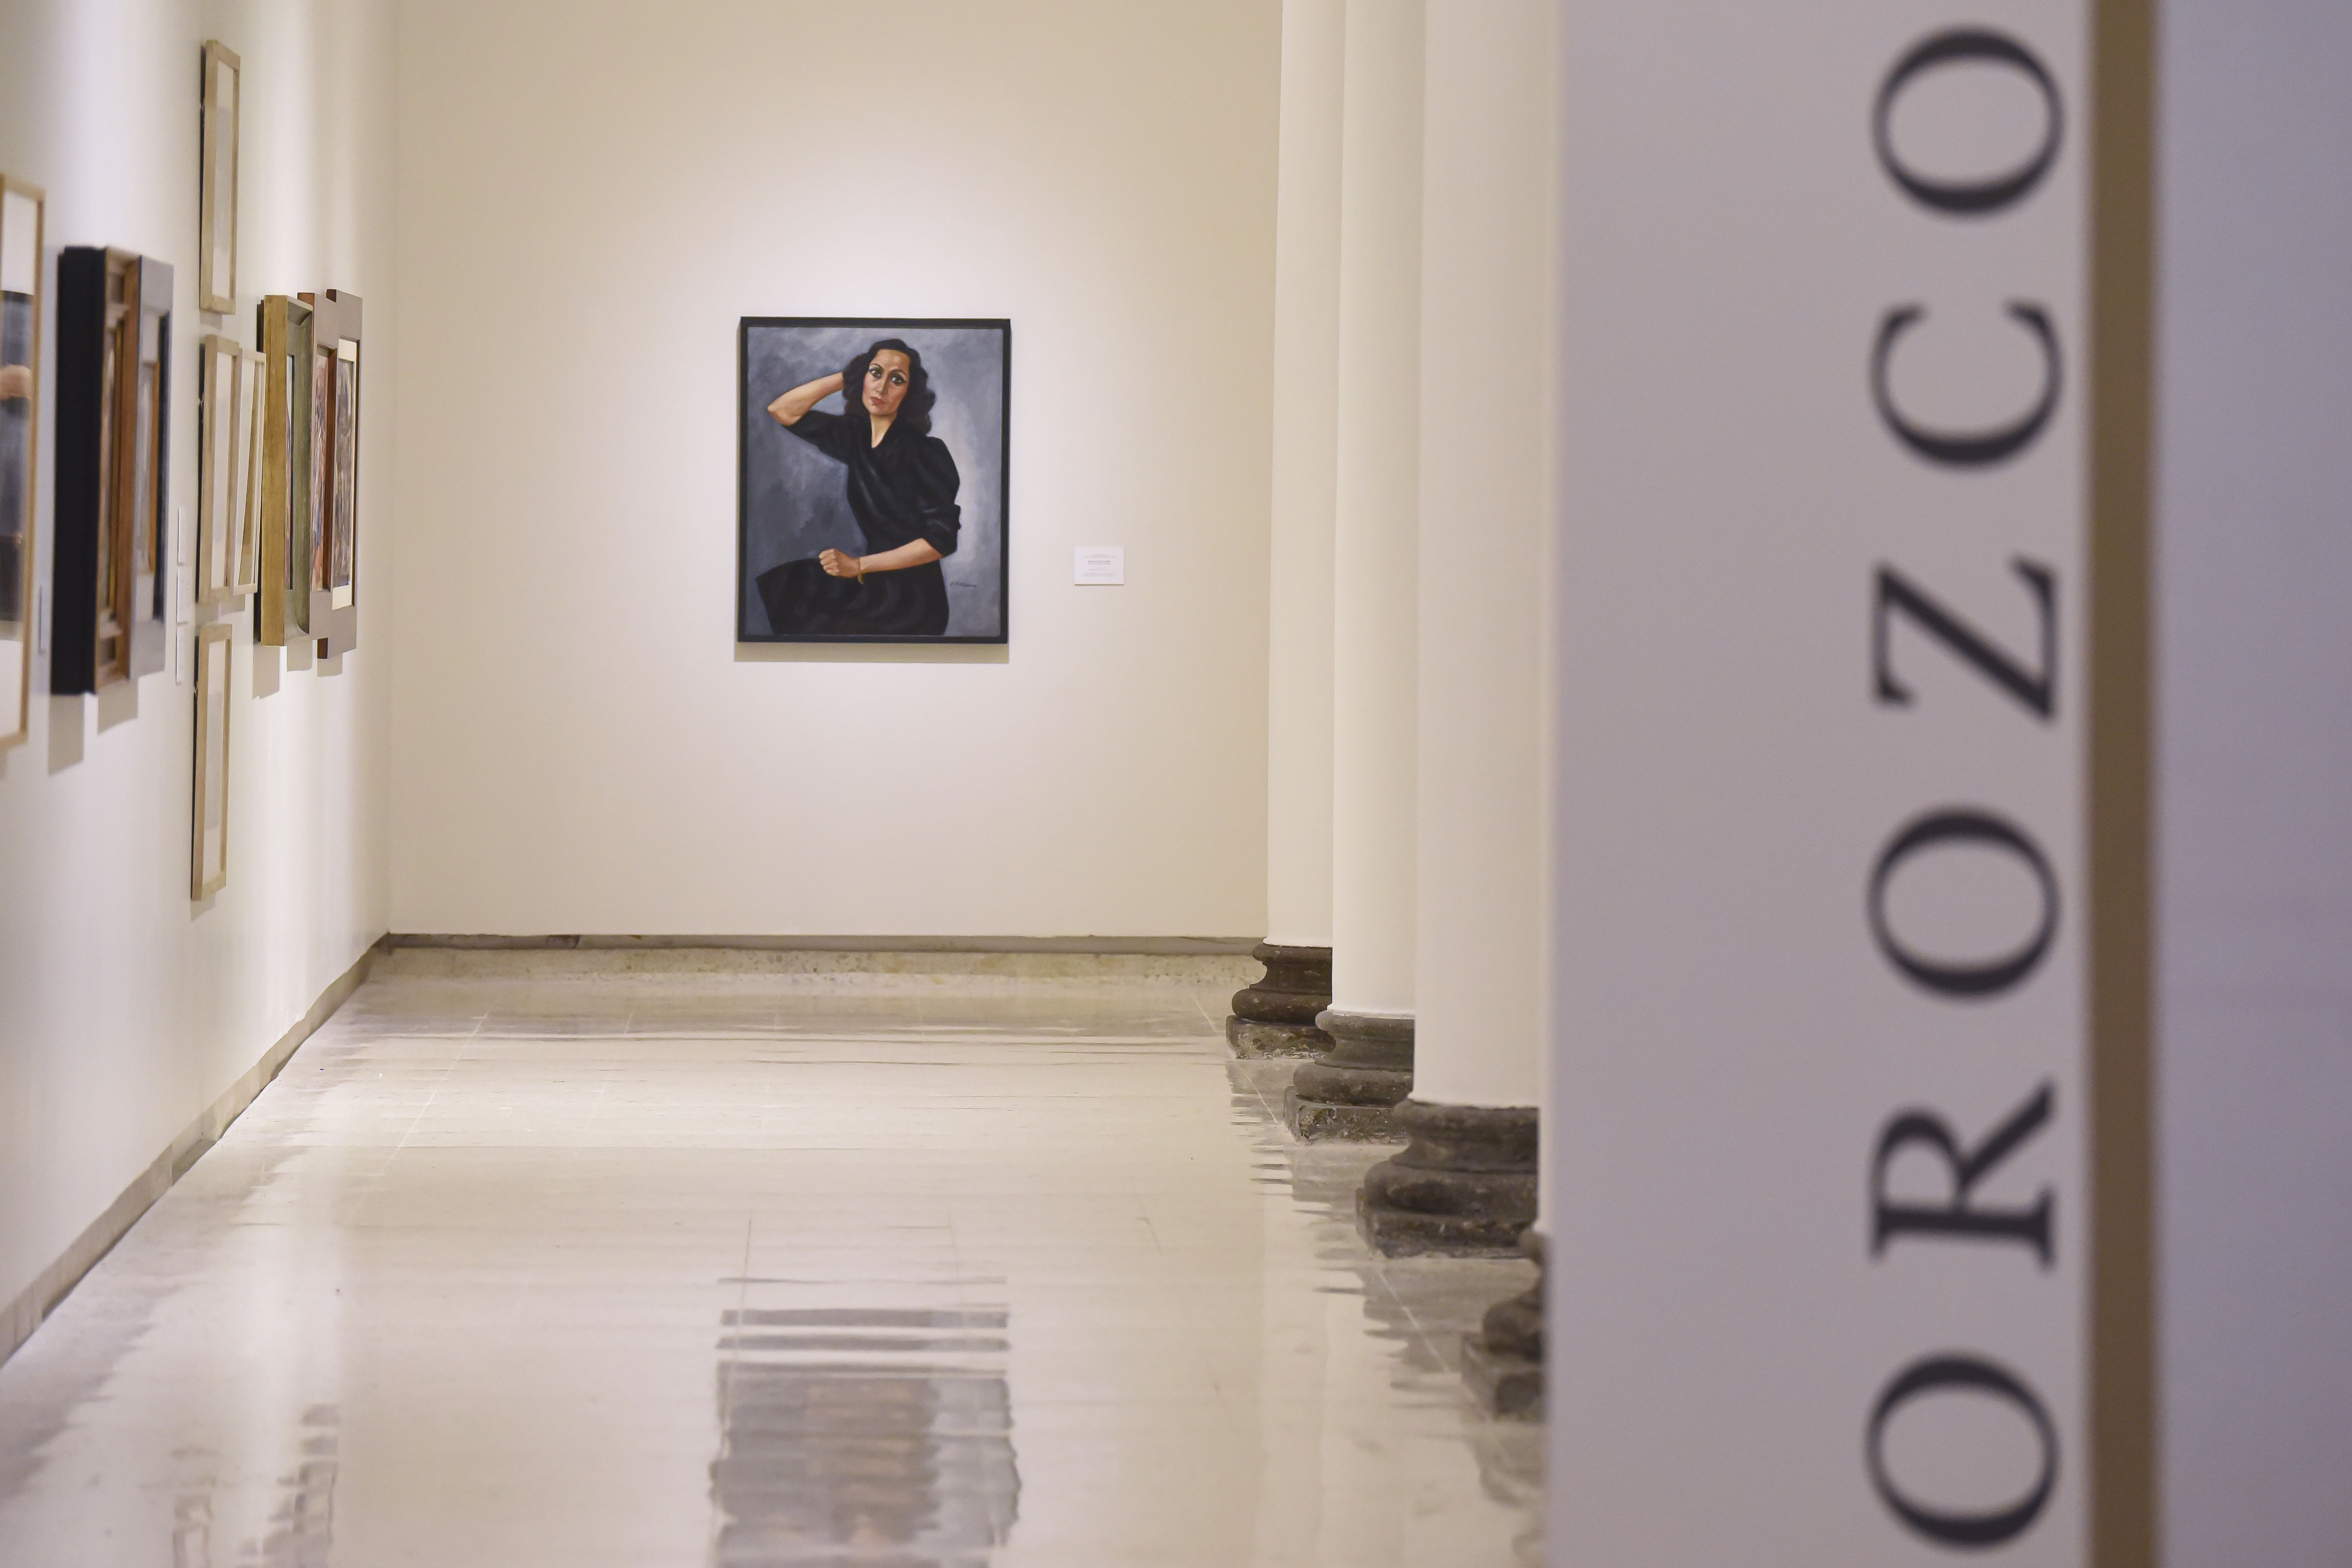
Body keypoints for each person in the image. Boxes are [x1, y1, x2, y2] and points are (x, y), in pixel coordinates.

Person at [758, 339, 961, 636]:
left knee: (805, 602)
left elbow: (940, 542)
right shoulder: (855, 437)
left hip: (911, 599)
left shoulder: (926, 453)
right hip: (872, 581)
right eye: (875, 373)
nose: (882, 388)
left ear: (909, 393)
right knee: (787, 585)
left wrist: (859, 565)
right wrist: (851, 375)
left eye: (897, 380)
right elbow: (782, 410)